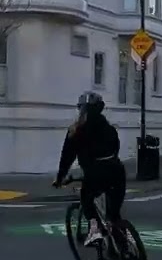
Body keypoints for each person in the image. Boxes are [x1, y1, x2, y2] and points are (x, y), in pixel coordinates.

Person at [52, 91, 125, 247]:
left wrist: (60, 178)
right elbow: (115, 149)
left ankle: (95, 229)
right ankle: (126, 256)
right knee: (114, 216)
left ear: (81, 109)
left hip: (95, 174)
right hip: (117, 171)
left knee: (86, 198)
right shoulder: (110, 129)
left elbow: (67, 157)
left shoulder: (76, 130)